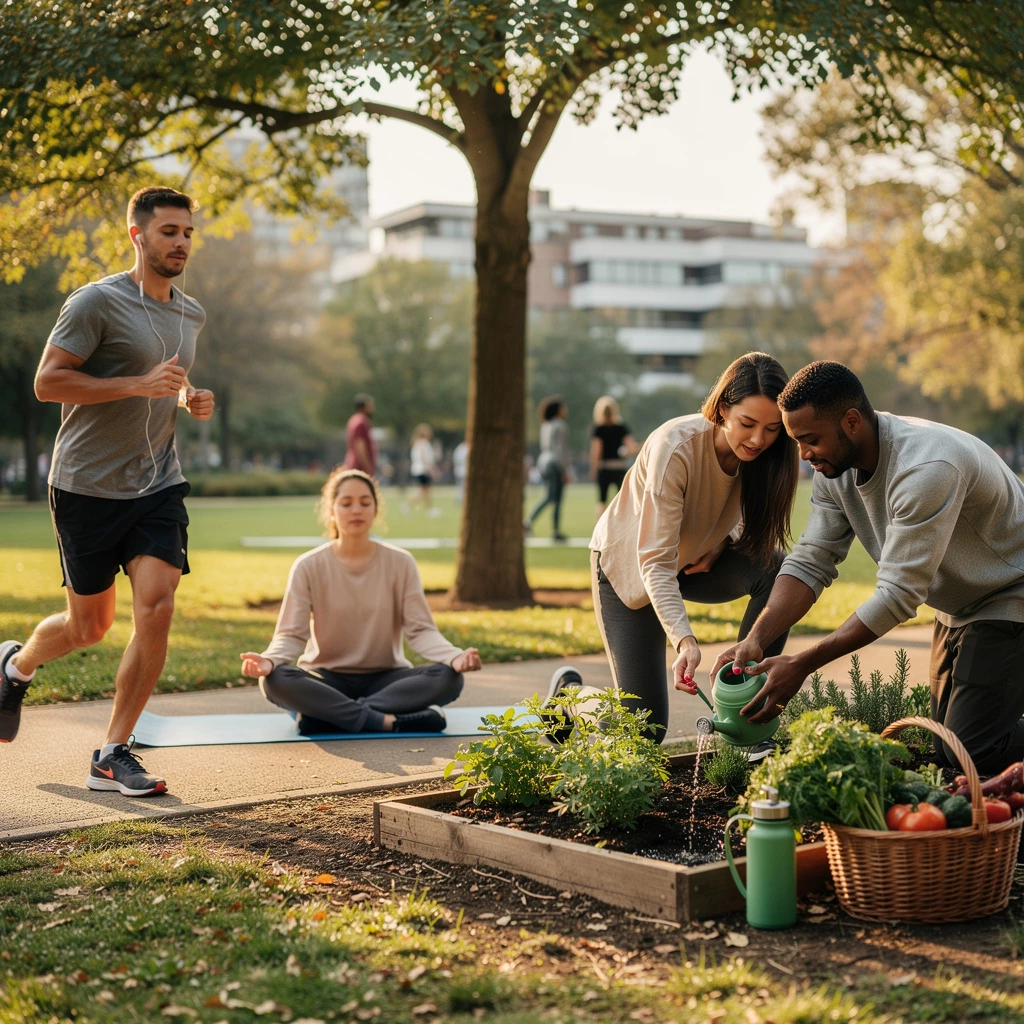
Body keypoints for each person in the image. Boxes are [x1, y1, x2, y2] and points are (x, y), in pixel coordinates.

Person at [0, 186, 214, 796]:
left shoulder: (189, 313)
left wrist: (186, 396)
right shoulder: (95, 302)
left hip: (157, 484)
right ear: (137, 235)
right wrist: (136, 384)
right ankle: (16, 666)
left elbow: (163, 380)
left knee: (158, 605)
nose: (180, 243)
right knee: (88, 626)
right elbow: (48, 383)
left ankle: (114, 750)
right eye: (168, 231)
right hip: (86, 486)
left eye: (187, 233)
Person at [712, 359, 1024, 776]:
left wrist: (803, 663)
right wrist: (756, 638)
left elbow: (897, 595)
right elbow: (813, 558)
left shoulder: (925, 469)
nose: (803, 456)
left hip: (1010, 591)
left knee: (974, 747)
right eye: (797, 442)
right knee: (947, 746)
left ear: (852, 421)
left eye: (810, 440)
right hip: (959, 603)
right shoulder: (834, 467)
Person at [549, 353, 799, 753]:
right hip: (627, 569)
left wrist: (722, 541)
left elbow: (735, 511)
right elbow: (653, 561)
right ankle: (571, 697)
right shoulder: (676, 447)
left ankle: (746, 713)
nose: (758, 440)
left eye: (772, 429)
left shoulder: (764, 457)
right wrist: (685, 641)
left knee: (779, 571)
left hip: (689, 563)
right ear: (721, 409)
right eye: (747, 424)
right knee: (644, 730)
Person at [240, 467, 482, 733]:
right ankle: (386, 721)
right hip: (326, 678)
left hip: (387, 679)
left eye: (365, 503)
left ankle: (328, 716)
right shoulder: (308, 566)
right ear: (331, 510)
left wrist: (454, 657)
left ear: (375, 510)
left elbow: (421, 630)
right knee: (275, 680)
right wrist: (270, 660)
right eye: (346, 503)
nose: (356, 510)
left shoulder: (401, 563)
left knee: (448, 678)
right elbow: (291, 635)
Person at [525, 397, 571, 542]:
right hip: (555, 463)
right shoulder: (560, 425)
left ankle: (530, 523)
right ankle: (553, 529)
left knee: (550, 496)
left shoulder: (546, 425)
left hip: (544, 462)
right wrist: (565, 469)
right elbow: (560, 449)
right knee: (555, 498)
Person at [589, 395, 638, 518]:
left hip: (604, 468)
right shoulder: (622, 428)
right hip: (619, 468)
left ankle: (600, 533)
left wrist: (594, 469)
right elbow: (631, 448)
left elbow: (596, 451)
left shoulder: (598, 429)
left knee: (602, 501)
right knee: (622, 502)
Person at [409, 423, 441, 516]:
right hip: (423, 470)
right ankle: (409, 505)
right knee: (423, 490)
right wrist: (433, 470)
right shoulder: (423, 443)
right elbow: (425, 459)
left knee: (426, 491)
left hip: (419, 469)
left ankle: (429, 509)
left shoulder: (417, 443)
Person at [344, 393, 377, 476]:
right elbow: (360, 446)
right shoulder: (360, 422)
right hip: (359, 468)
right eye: (370, 406)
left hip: (354, 466)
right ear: (364, 407)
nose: (373, 408)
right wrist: (367, 467)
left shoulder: (354, 420)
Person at [452, 439, 469, 505]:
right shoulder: (465, 449)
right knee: (463, 486)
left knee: (460, 487)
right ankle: (461, 501)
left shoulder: (459, 448)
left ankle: (460, 500)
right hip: (463, 471)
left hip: (459, 470)